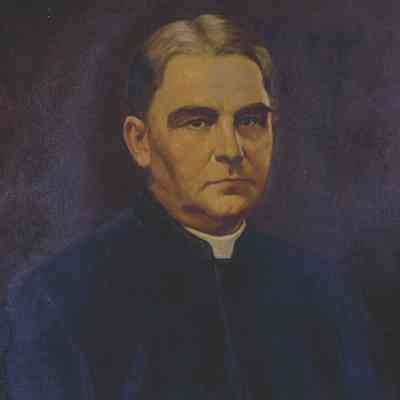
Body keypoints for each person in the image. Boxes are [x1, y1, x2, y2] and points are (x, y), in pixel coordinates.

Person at [0, 14, 386, 400]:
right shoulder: (56, 302)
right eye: (198, 122)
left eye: (251, 120)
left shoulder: (326, 295)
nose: (231, 150)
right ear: (140, 141)